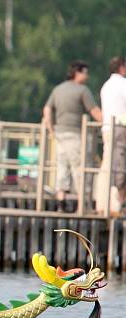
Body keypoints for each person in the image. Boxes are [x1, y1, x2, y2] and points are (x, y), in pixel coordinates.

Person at [42, 60, 103, 212]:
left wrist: (51, 128)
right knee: (80, 167)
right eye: (85, 72)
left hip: (60, 133)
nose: (87, 76)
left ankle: (61, 202)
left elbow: (47, 109)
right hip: (75, 134)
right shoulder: (82, 90)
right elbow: (94, 111)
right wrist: (110, 122)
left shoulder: (58, 89)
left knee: (62, 166)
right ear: (77, 73)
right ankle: (83, 204)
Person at [97, 57, 126, 216]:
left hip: (107, 128)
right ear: (121, 67)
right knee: (119, 166)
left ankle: (103, 203)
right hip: (120, 128)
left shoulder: (106, 86)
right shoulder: (122, 84)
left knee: (107, 164)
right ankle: (117, 204)